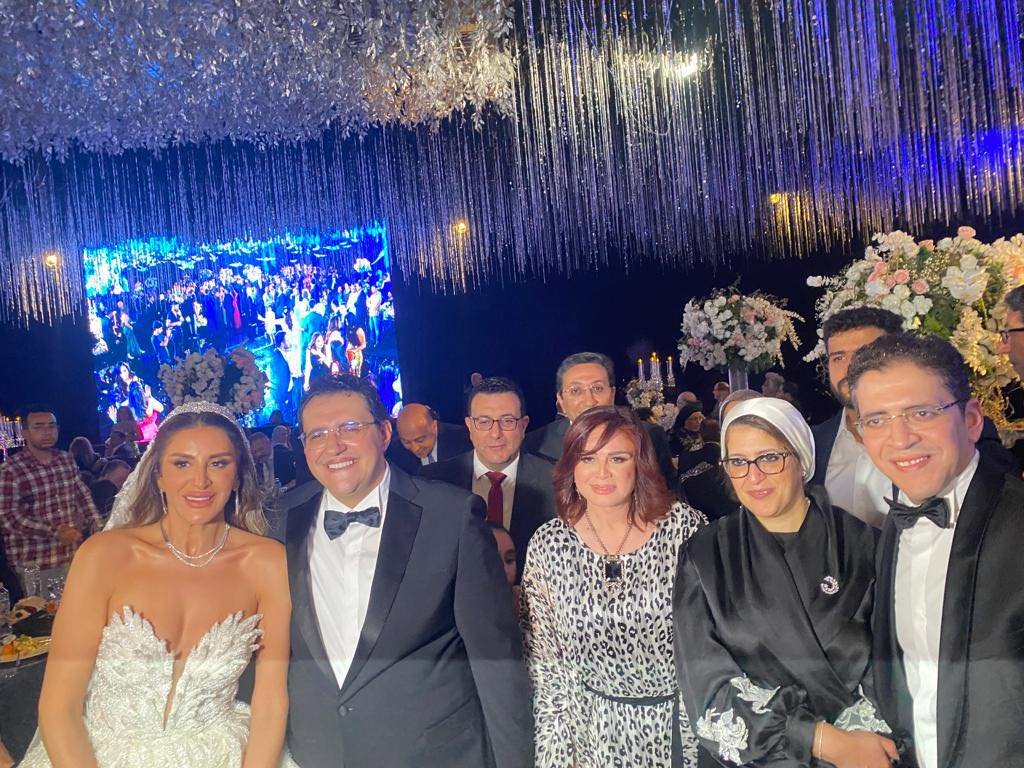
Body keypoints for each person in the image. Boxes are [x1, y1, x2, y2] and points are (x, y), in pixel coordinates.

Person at [20, 401, 295, 768]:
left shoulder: (268, 562)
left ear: (238, 476)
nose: (200, 481)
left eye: (218, 463)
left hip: (224, 755)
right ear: (159, 476)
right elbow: (58, 708)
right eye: (182, 463)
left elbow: (271, 702)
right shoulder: (105, 556)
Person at [284, 374, 533, 768]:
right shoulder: (280, 520)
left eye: (350, 427)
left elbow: (495, 660)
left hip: (433, 754)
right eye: (317, 434)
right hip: (320, 754)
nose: (333, 446)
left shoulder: (451, 515)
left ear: (385, 433)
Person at [673, 397, 896, 768]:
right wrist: (818, 740)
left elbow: (896, 665)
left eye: (770, 457)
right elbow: (705, 685)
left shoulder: (864, 545)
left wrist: (854, 746)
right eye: (738, 462)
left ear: (801, 460)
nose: (754, 476)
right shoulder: (705, 555)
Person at [847, 333, 1024, 768]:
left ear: (972, 419)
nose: (900, 438)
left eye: (921, 413)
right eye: (877, 420)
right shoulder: (892, 527)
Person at [521, 406, 706, 767]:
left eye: (617, 458)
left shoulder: (684, 529)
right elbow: (546, 669)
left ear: (640, 464)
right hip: (588, 735)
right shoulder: (549, 544)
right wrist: (555, 756)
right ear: (571, 466)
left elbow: (713, 644)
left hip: (679, 729)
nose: (602, 473)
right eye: (588, 458)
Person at [422, 377, 556, 582]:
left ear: (524, 425)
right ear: (469, 426)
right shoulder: (433, 481)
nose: (495, 434)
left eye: (507, 421)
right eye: (484, 422)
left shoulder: (556, 482)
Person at [524, 351, 677, 489]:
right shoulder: (536, 444)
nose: (589, 401)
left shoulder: (648, 436)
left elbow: (668, 495)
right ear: (561, 400)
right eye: (575, 390)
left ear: (612, 394)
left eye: (597, 389)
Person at [809, 307, 903, 527]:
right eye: (838, 357)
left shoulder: (928, 435)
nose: (850, 368)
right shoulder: (812, 444)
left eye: (864, 354)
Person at [0, 407, 102, 593]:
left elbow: (82, 496)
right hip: (36, 561)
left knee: (79, 605)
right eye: (39, 427)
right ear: (25, 432)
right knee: (45, 610)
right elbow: (8, 517)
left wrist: (100, 529)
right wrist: (55, 531)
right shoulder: (12, 469)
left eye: (51, 426)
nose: (47, 432)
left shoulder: (66, 459)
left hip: (71, 555)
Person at [388, 402, 472, 473]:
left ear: (434, 427)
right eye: (406, 442)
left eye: (420, 440)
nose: (415, 448)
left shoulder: (463, 439)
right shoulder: (394, 451)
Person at [88, 459, 132, 523]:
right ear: (106, 476)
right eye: (119, 480)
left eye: (126, 482)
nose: (122, 485)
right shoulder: (92, 496)